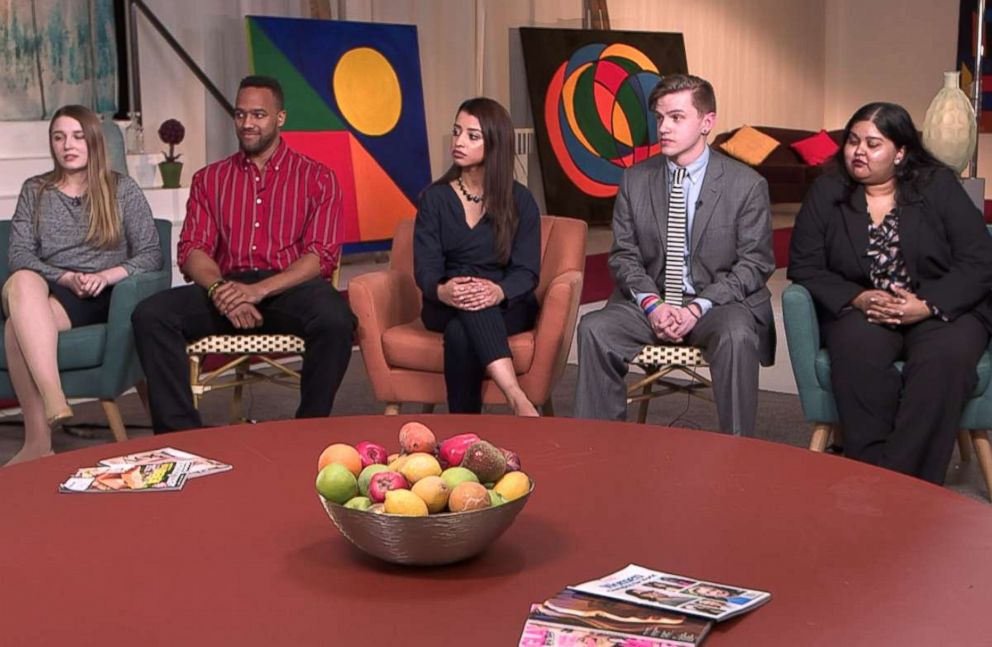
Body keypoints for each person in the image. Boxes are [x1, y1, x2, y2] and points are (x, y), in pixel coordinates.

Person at [132, 75, 355, 433]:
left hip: (289, 291)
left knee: (337, 319)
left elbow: (320, 256)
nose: (247, 124)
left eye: (258, 114)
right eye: (240, 114)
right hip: (227, 288)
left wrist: (260, 291)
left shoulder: (318, 178)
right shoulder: (210, 179)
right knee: (151, 315)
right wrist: (221, 291)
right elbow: (192, 250)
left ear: (280, 118)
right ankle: (183, 437)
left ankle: (308, 430)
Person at [787, 102, 992, 484]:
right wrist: (858, 298)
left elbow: (979, 260)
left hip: (940, 307)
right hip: (867, 307)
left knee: (941, 362)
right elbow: (805, 264)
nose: (858, 151)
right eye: (852, 140)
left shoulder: (937, 186)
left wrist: (926, 305)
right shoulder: (828, 190)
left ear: (900, 152)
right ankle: (877, 474)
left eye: (872, 143)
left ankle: (897, 485)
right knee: (857, 354)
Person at [574, 74, 776, 435]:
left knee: (737, 336)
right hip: (651, 302)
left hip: (716, 304)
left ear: (707, 122)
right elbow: (623, 254)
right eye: (660, 118)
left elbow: (755, 264)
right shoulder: (635, 179)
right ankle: (598, 446)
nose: (664, 128)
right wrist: (653, 304)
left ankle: (740, 448)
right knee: (595, 328)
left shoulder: (746, 185)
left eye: (677, 118)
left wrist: (696, 307)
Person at [3, 105, 162, 465]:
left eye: (76, 136)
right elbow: (19, 254)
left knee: (16, 328)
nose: (67, 145)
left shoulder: (121, 189)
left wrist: (106, 276)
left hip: (106, 293)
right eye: (59, 137)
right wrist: (64, 277)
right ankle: (55, 400)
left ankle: (38, 444)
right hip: (52, 289)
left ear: (93, 140)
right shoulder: (36, 190)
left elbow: (151, 253)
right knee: (21, 281)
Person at [413, 97, 541, 416]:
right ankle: (516, 397)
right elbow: (426, 269)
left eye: (472, 136)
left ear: (495, 144)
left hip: (506, 302)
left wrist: (496, 291)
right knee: (469, 302)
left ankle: (464, 428)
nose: (458, 142)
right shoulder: (434, 199)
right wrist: (444, 290)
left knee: (462, 329)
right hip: (444, 302)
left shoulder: (520, 201)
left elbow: (526, 272)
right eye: (457, 132)